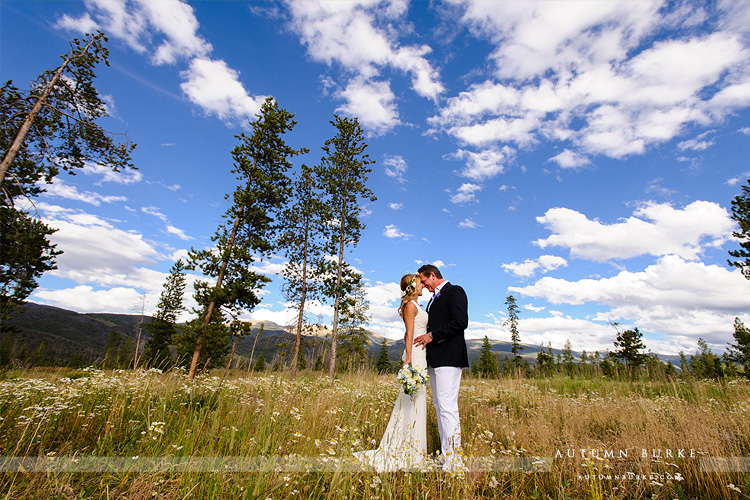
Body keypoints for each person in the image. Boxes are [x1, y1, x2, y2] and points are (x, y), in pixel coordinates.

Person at [354, 273, 428, 472]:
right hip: (416, 356)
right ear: (412, 287)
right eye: (420, 284)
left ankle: (414, 447)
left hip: (422, 354)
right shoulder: (411, 306)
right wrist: (409, 360)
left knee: (416, 401)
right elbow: (409, 334)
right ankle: (408, 449)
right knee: (413, 399)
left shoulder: (416, 305)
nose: (423, 286)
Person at [413, 264, 469, 471]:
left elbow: (460, 322)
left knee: (447, 406)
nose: (423, 285)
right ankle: (447, 456)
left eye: (424, 280)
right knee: (439, 405)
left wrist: (432, 335)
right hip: (434, 359)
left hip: (449, 357)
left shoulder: (455, 291)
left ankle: (454, 461)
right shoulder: (432, 299)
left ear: (433, 276)